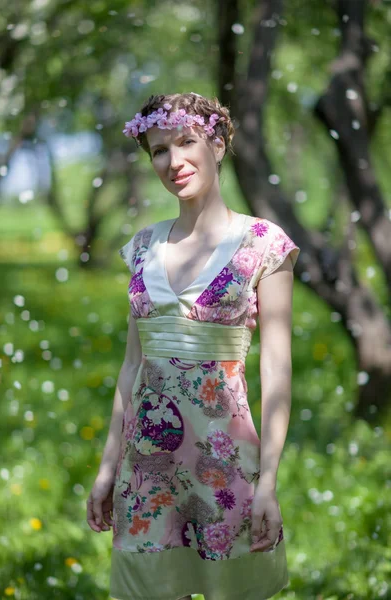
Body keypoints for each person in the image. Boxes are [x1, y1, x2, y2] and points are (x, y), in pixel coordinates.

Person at [86, 92, 300, 600]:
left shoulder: (264, 245)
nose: (173, 161)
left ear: (219, 144)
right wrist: (107, 468)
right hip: (147, 466)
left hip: (225, 462)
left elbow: (277, 369)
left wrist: (268, 478)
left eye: (187, 142)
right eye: (159, 150)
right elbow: (132, 365)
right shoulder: (142, 247)